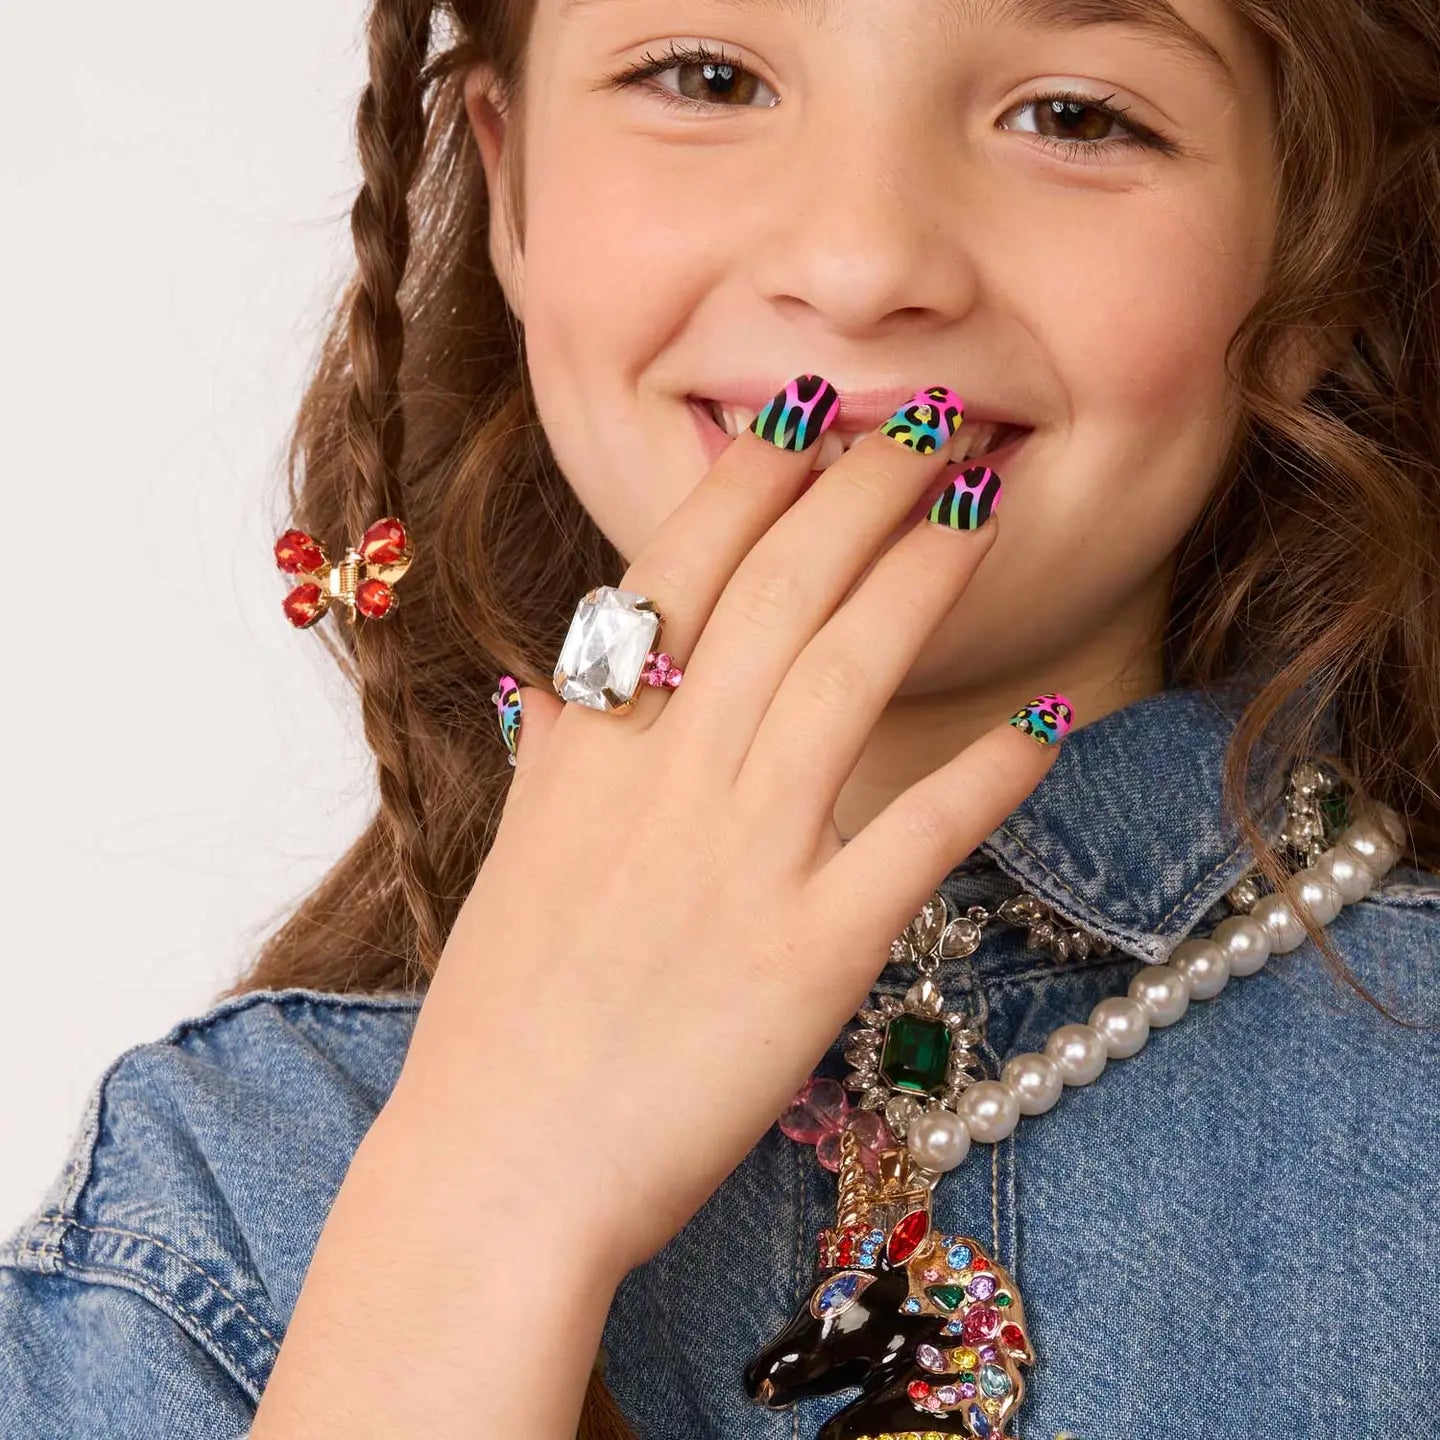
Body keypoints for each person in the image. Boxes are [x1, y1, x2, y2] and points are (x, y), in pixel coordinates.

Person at [4, 0, 1439, 1435]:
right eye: (707, 78)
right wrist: (488, 1209)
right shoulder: (209, 1207)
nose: (861, 265)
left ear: (1316, 264)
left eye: (1073, 116)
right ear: (511, 192)